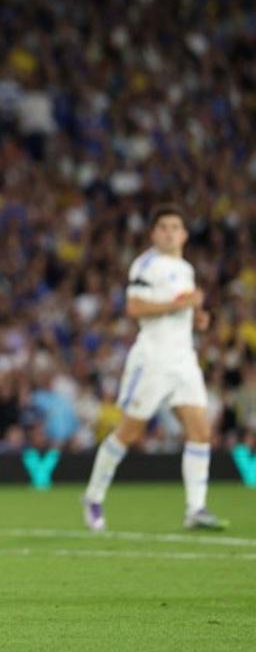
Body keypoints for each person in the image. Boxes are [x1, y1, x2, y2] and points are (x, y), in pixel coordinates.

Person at [81, 206, 227, 531]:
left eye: (175, 227)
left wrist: (197, 319)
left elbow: (184, 311)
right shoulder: (146, 264)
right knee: (130, 433)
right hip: (153, 358)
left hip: (183, 359)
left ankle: (196, 508)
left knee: (201, 432)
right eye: (163, 227)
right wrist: (179, 305)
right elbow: (134, 307)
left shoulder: (186, 269)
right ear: (153, 234)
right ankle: (93, 496)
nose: (169, 232)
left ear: (185, 234)